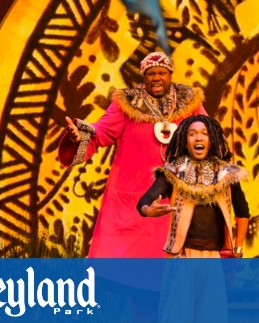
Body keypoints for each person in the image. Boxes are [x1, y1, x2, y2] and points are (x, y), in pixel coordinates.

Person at [59, 51, 206, 257]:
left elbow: (209, 137)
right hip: (132, 200)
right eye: (151, 73)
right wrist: (78, 136)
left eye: (161, 73)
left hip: (178, 198)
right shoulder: (126, 105)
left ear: (170, 74)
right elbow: (101, 132)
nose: (156, 78)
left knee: (174, 268)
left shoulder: (190, 105)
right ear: (144, 77)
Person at [137, 114, 249, 257]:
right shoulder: (173, 173)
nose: (198, 138)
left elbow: (242, 212)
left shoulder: (227, 174)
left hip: (217, 257)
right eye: (192, 134)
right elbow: (144, 201)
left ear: (212, 140)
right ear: (185, 142)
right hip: (181, 256)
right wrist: (148, 210)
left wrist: (238, 248)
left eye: (205, 133)